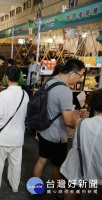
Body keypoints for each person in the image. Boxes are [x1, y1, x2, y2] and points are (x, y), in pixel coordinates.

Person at [33, 59, 85, 199]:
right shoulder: (65, 91)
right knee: (57, 167)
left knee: (42, 160)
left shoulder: (51, 81)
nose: (80, 78)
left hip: (44, 131)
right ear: (72, 73)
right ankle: (59, 193)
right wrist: (83, 124)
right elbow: (68, 120)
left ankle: (35, 190)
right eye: (80, 75)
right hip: (56, 136)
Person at [0, 66, 29, 192]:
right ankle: (15, 186)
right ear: (20, 78)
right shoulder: (25, 95)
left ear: (6, 78)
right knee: (16, 163)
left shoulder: (3, 95)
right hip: (18, 135)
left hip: (3, 135)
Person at [60, 88, 102, 200]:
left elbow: (75, 143)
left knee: (70, 193)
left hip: (76, 168)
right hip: (97, 175)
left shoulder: (81, 122)